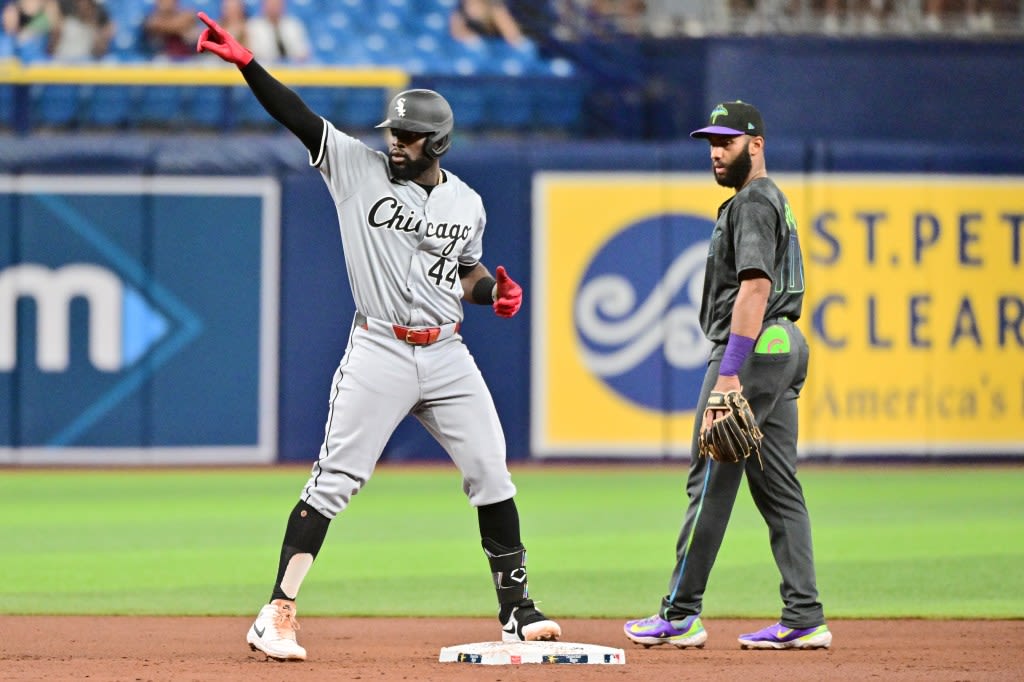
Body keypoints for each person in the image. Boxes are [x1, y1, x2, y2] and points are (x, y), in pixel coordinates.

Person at [194, 10, 561, 662]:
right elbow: (298, 116)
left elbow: (465, 273)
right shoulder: (353, 167)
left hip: (447, 350)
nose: (396, 142)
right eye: (394, 131)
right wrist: (248, 64)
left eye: (410, 136)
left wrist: (493, 292)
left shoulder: (466, 203)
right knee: (335, 479)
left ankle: (517, 611)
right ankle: (275, 612)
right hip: (381, 348)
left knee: (491, 472)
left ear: (438, 144)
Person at [623, 101, 831, 651]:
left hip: (756, 348)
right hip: (784, 343)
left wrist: (730, 375)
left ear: (755, 144)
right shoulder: (763, 200)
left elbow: (755, 288)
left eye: (728, 141)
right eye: (711, 142)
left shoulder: (755, 200)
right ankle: (804, 615)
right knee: (777, 484)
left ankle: (680, 613)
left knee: (711, 477)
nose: (716, 151)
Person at [245, 0, 310, 63]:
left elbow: (303, 51)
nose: (274, 8)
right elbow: (252, 54)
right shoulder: (253, 26)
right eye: (271, 4)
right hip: (265, 68)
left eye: (277, 4)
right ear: (263, 6)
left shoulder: (294, 24)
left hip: (293, 69)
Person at [449, 0, 527, 46]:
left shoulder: (496, 8)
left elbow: (514, 37)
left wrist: (496, 14)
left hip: (499, 49)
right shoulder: (460, 8)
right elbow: (456, 33)